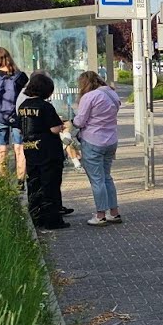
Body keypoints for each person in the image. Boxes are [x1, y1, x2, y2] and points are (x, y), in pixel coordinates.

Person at [18, 72, 69, 230]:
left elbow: (21, 129)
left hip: (30, 149)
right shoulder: (45, 106)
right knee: (51, 185)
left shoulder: (23, 106)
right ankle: (52, 220)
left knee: (34, 183)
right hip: (48, 150)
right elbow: (54, 129)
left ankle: (36, 216)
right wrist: (62, 125)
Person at [72, 70, 123, 227]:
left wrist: (71, 121)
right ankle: (114, 213)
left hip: (93, 141)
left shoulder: (89, 97)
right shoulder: (112, 94)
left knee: (97, 180)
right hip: (111, 141)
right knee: (107, 177)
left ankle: (100, 215)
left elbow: (80, 122)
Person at [0, 47, 29, 189]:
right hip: (17, 116)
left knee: (1, 148)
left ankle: (2, 182)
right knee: (20, 149)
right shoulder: (21, 76)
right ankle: (20, 182)